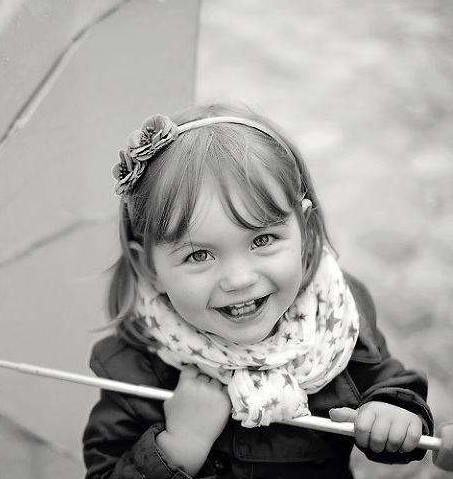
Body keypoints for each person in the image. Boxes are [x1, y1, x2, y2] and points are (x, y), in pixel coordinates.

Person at [83, 103, 433, 478]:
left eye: (262, 239)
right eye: (199, 254)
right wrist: (179, 446)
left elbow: (387, 382)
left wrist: (393, 413)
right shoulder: (136, 364)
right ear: (149, 268)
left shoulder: (335, 316)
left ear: (304, 230)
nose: (238, 279)